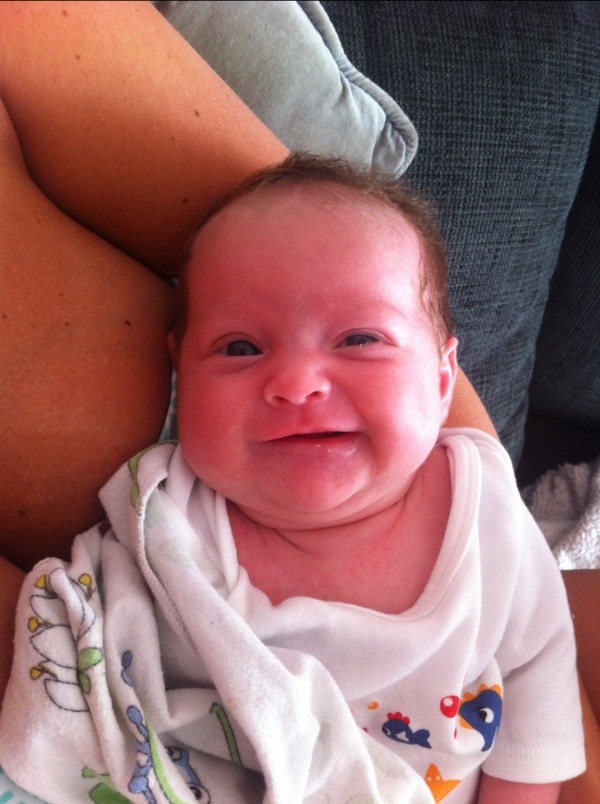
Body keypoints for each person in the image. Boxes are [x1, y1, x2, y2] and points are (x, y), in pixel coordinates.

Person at [0, 3, 597, 801]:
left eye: (359, 339)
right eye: (240, 349)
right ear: (180, 376)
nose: (296, 383)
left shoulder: (481, 508)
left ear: (443, 377)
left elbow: (541, 687)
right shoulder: (165, 520)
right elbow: (86, 673)